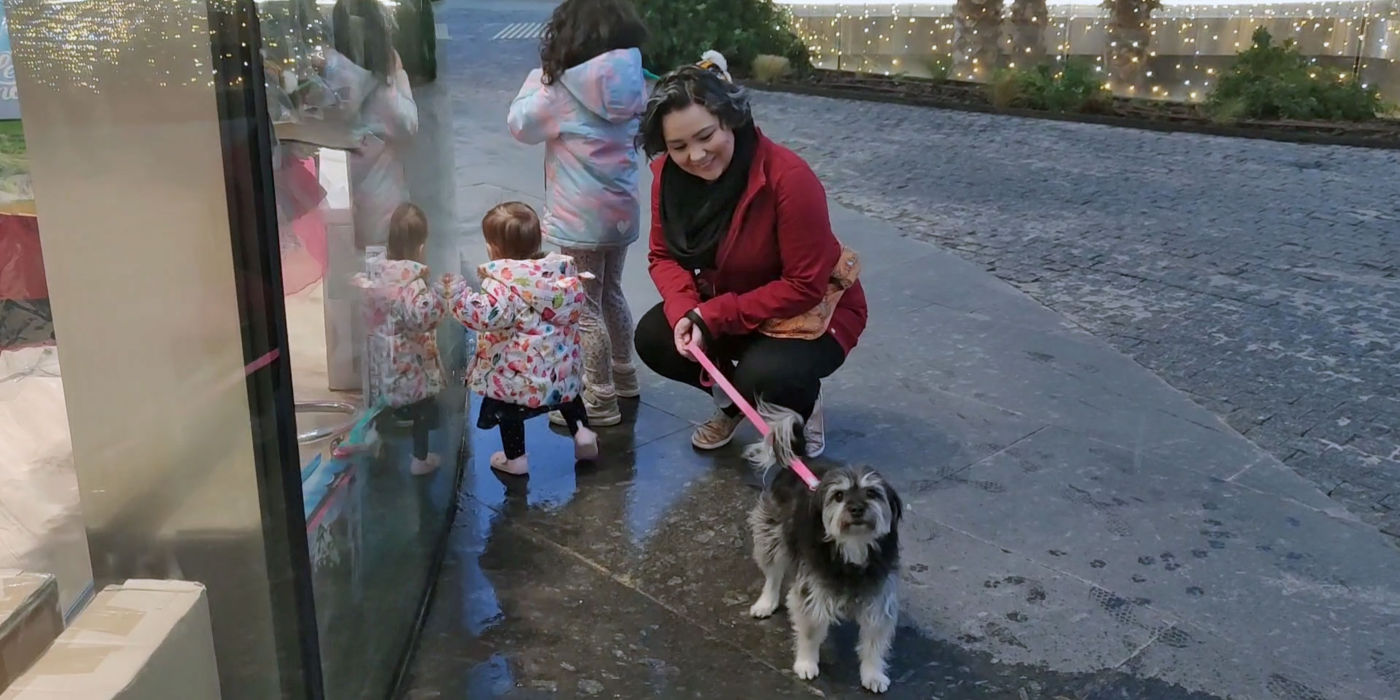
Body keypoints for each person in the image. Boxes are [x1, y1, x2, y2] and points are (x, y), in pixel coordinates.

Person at [632, 61, 868, 458]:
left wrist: (711, 316)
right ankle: (729, 399)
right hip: (731, 300)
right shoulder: (667, 178)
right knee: (656, 336)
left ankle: (799, 400)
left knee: (767, 377)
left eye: (705, 136)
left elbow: (803, 285)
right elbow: (662, 256)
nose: (696, 155)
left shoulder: (788, 178)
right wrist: (687, 311)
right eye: (678, 147)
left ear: (730, 119)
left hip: (811, 311)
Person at [506, 0, 649, 427]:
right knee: (612, 292)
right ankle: (625, 377)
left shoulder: (560, 91)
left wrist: (535, 82)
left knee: (586, 307)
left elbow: (520, 125)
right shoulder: (632, 79)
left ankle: (598, 399)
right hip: (620, 212)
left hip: (580, 218)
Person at [442, 202, 599, 476]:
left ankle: (515, 460)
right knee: (568, 398)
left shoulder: (504, 284)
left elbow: (483, 316)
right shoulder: (559, 274)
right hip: (560, 368)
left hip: (518, 374)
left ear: (494, 248)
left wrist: (457, 295)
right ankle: (584, 435)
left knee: (508, 410)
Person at [359, 203, 445, 476]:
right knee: (421, 411)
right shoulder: (413, 282)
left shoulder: (381, 275)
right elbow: (422, 318)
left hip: (387, 360)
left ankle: (376, 442)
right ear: (421, 247)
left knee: (388, 406)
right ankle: (420, 459)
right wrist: (441, 298)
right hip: (412, 365)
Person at [331, 0, 419, 248]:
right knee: (379, 263)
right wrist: (398, 76)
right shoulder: (382, 90)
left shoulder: (332, 68)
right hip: (379, 198)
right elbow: (407, 124)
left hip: (336, 192)